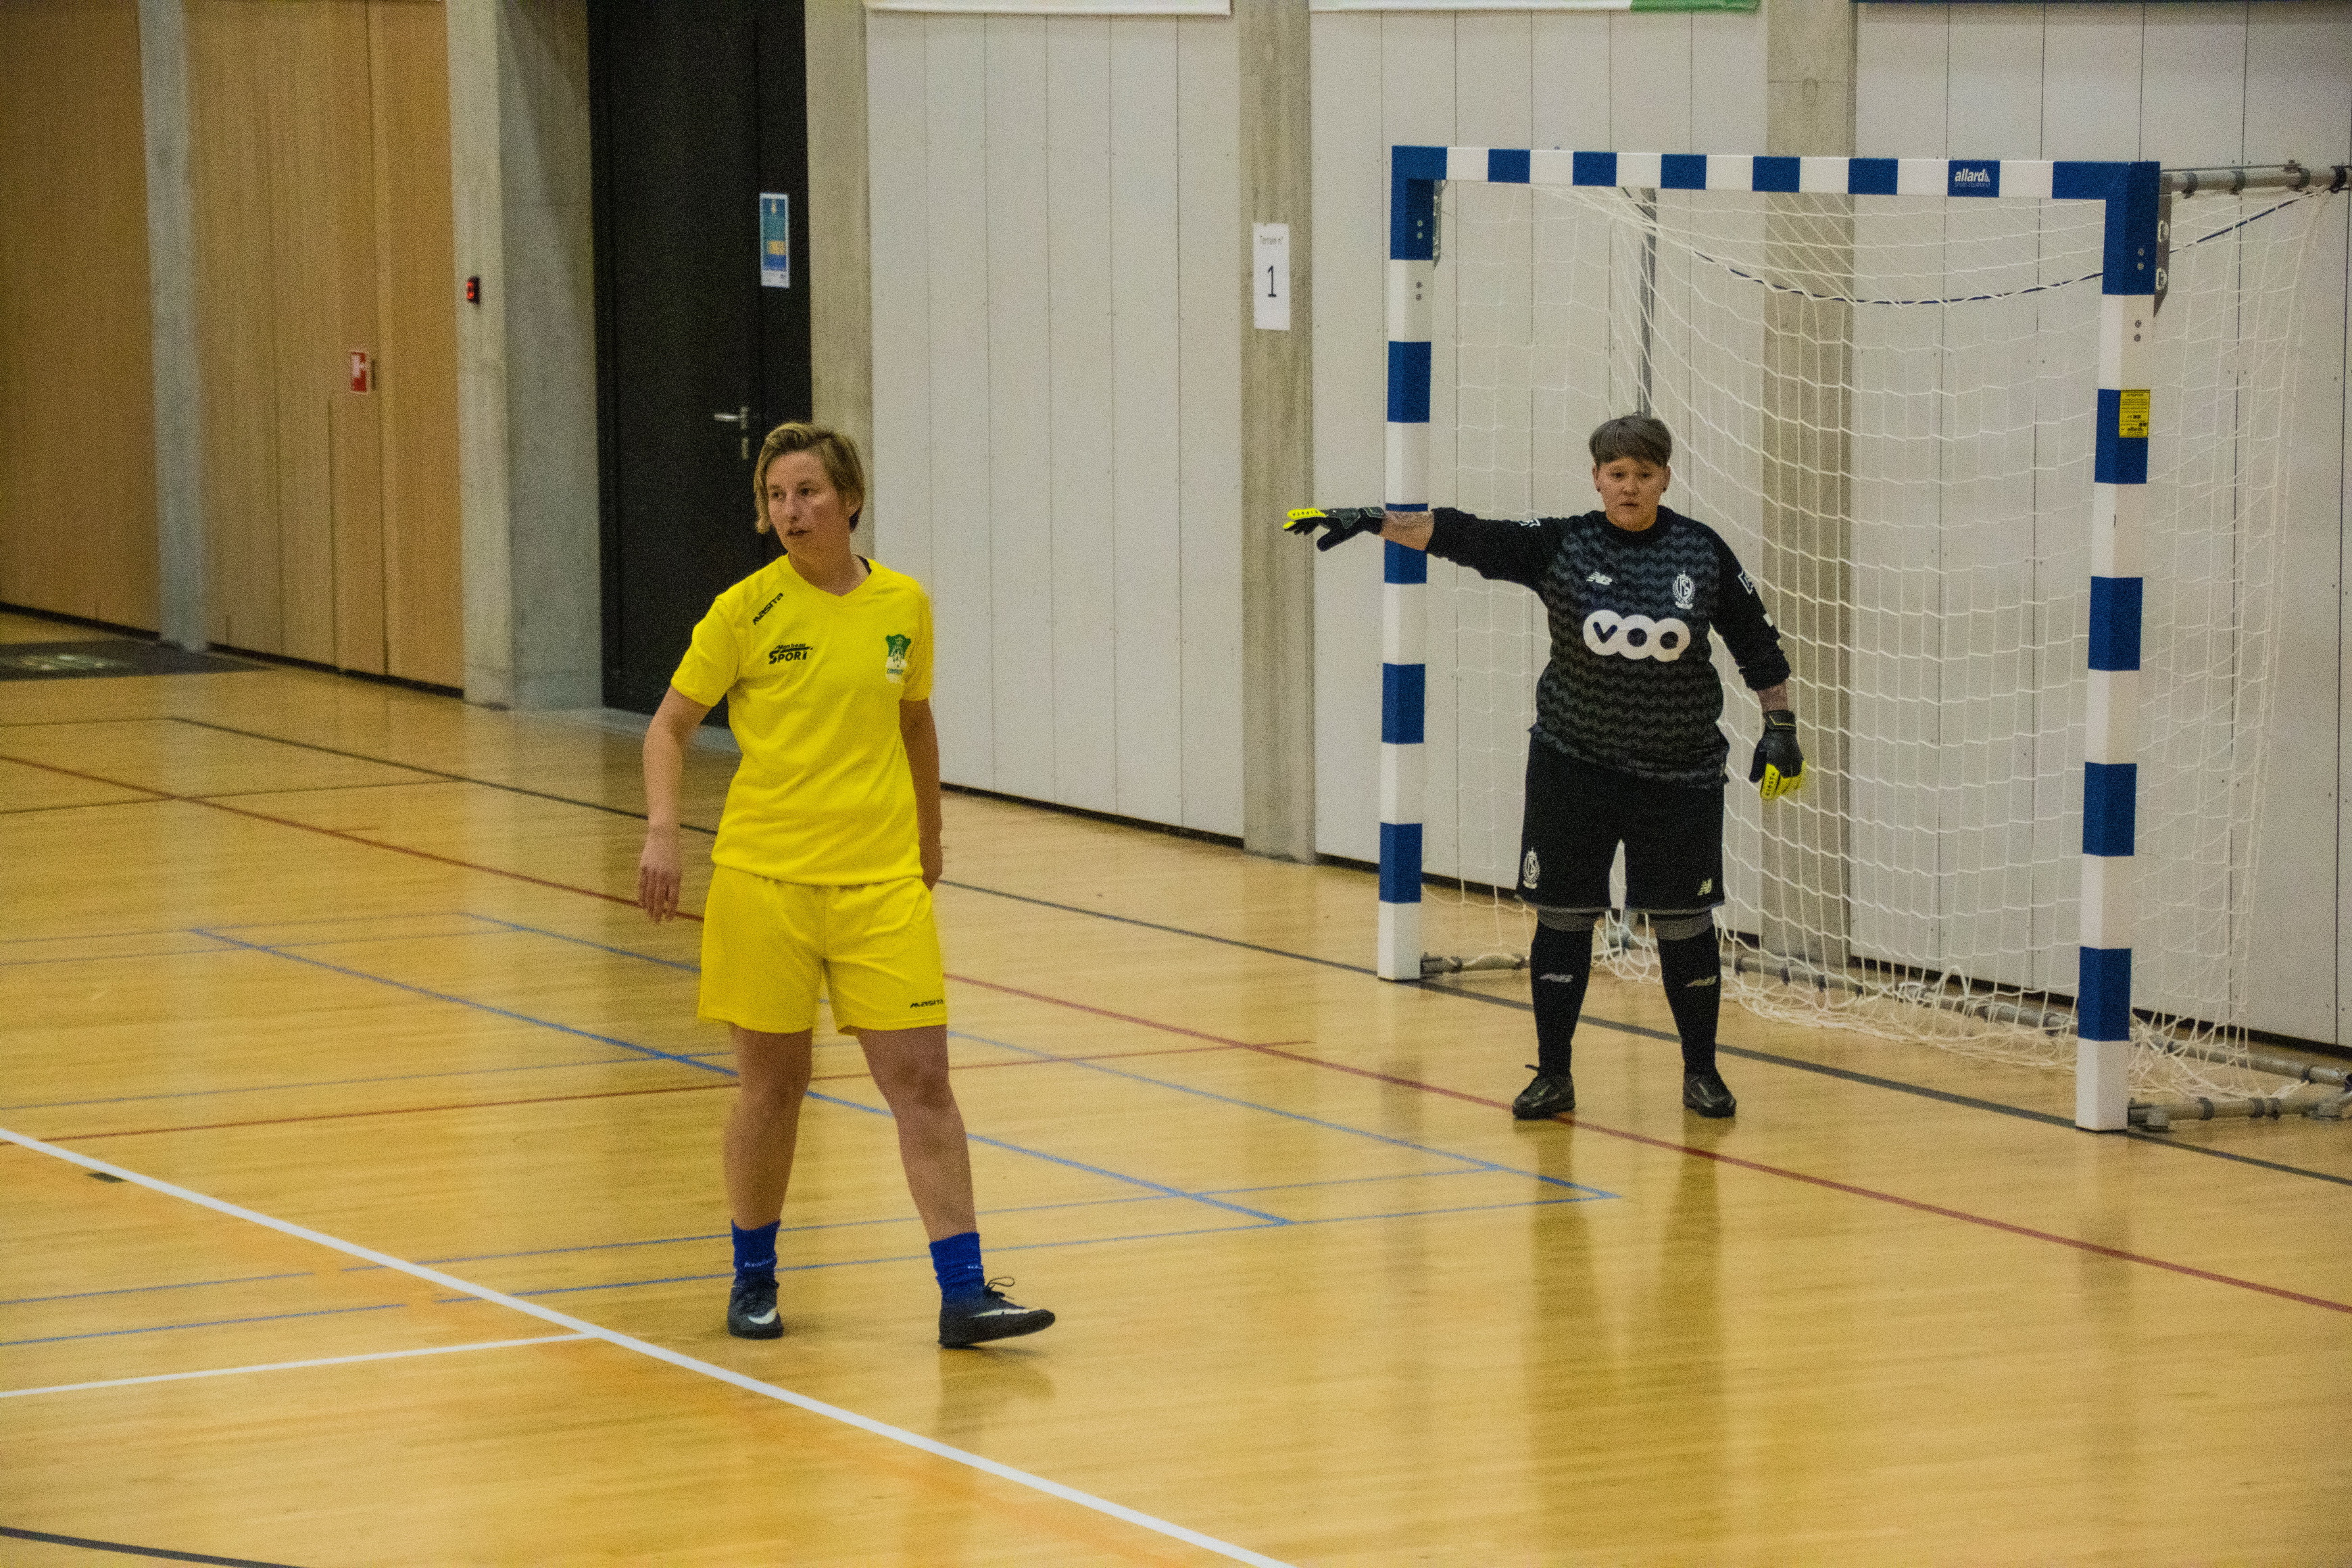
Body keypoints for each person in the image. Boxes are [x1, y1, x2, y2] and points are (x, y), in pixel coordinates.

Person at [637, 421, 1053, 1347]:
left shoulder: (903, 603)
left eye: (807, 493)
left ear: (850, 499)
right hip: (766, 882)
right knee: (771, 1090)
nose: (791, 511)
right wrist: (663, 831)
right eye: (776, 497)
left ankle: (965, 1293)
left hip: (880, 884)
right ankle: (753, 1279)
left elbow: (915, 724)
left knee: (924, 1083)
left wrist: (929, 841)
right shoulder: (744, 611)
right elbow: (668, 727)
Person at [1289, 413, 1803, 1121]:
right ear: (1596, 479)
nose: (1630, 487)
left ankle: (1703, 1073)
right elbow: (1467, 536)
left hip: (1679, 773)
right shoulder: (1564, 543)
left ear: (1665, 478)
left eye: (1643, 474)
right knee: (1564, 917)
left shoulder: (1700, 551)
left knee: (1685, 922)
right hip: (1573, 765)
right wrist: (1376, 521)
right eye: (1617, 474)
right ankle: (1554, 1074)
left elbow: (1757, 643)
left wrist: (1781, 726)